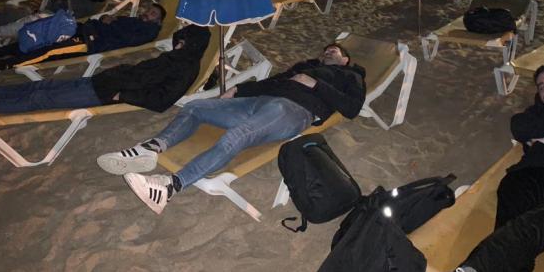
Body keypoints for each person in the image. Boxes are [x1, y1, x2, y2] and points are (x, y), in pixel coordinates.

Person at [96, 43, 367, 215]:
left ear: (346, 60)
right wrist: (239, 89)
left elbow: (352, 109)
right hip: (260, 101)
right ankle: (152, 148)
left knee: (238, 135)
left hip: (293, 111)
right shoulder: (305, 67)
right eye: (325, 49)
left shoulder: (351, 77)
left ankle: (169, 187)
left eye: (335, 50)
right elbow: (271, 83)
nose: (328, 51)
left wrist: (316, 85)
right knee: (196, 107)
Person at [422, 65, 544, 272]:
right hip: (528, 176)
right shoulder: (534, 116)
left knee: (537, 223)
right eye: (542, 86)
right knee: (513, 233)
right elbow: (520, 126)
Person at [0, 25, 210, 119]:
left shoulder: (185, 67)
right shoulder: (177, 56)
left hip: (105, 92)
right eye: (180, 39)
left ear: (193, 46)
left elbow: (163, 101)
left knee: (39, 100)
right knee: (38, 88)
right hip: (101, 81)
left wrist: (122, 94)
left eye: (183, 41)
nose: (178, 43)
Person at [0, 4, 166, 77]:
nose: (148, 13)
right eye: (149, 10)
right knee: (42, 36)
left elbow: (125, 38)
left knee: (48, 51)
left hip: (91, 41)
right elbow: (110, 22)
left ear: (158, 20)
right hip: (86, 29)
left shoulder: (148, 31)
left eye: (153, 13)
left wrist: (106, 23)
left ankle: (1, 65)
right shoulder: (133, 19)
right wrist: (106, 20)